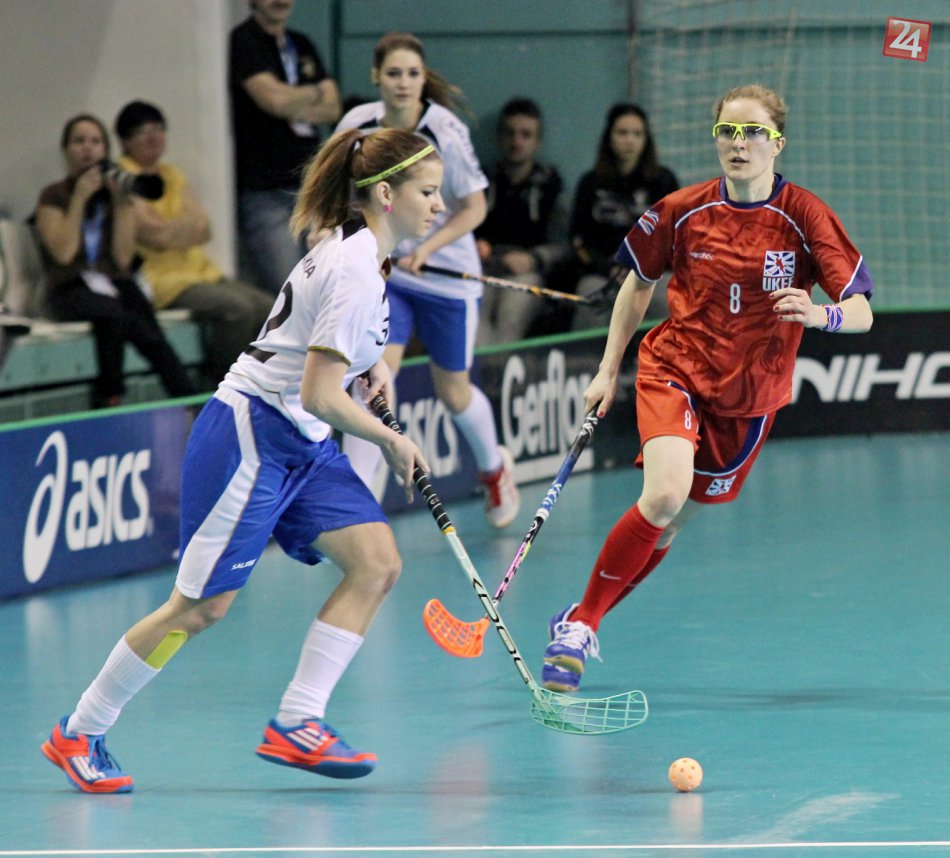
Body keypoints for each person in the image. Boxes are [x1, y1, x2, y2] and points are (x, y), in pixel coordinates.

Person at [40, 127, 442, 793]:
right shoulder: (352, 268)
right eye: (428, 192)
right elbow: (316, 391)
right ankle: (80, 729)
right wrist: (389, 438)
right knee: (199, 609)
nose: (439, 204)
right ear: (385, 195)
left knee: (377, 563)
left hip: (304, 440)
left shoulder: (365, 251)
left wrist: (367, 369)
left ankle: (299, 721)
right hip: (252, 433)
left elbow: (324, 357)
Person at [541, 84, 874, 693]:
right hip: (676, 368)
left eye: (753, 133)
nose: (739, 144)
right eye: (728, 131)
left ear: (778, 143)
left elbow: (861, 310)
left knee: (667, 526)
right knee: (663, 495)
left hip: (750, 398)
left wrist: (820, 314)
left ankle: (580, 617)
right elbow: (638, 284)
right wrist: (608, 368)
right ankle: (582, 625)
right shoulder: (682, 208)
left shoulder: (805, 216)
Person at [335, 31, 520, 528]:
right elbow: (335, 188)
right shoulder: (357, 125)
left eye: (413, 74)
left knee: (454, 394)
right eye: (393, 73)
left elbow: (475, 206)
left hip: (445, 278)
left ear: (423, 78)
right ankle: (357, 505)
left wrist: (428, 248)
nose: (403, 83)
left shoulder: (445, 130)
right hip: (389, 276)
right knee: (375, 378)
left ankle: (494, 469)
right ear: (376, 77)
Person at [34, 114, 196, 409]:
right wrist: (79, 198)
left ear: (106, 150)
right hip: (69, 287)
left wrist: (122, 203)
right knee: (112, 314)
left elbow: (122, 259)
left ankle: (190, 402)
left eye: (95, 141)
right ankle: (109, 397)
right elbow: (64, 254)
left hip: (111, 282)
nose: (87, 148)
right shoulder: (53, 195)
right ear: (66, 149)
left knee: (146, 323)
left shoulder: (112, 195)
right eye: (79, 141)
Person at [115, 100, 275, 385]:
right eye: (142, 132)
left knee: (270, 308)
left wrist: (171, 230)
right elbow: (155, 234)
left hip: (200, 272)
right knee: (237, 310)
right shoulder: (122, 177)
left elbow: (204, 228)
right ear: (125, 141)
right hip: (162, 280)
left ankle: (262, 385)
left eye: (158, 129)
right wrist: (180, 229)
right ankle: (224, 386)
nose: (153, 137)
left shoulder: (170, 174)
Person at [229, 0, 342, 293]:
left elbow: (333, 106)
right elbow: (273, 101)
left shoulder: (301, 43)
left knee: (326, 284)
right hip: (266, 190)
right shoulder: (244, 40)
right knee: (290, 289)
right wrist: (314, 91)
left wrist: (290, 102)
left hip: (309, 186)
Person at [569, 103, 679, 331]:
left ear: (646, 140)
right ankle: (590, 356)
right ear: (609, 137)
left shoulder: (664, 181)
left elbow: (676, 236)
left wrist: (643, 269)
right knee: (589, 299)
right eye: (622, 133)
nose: (630, 140)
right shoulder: (590, 183)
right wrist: (608, 267)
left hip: (652, 275)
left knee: (668, 298)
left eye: (637, 134)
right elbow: (578, 241)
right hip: (603, 275)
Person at [475, 97, 568, 345]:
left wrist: (533, 258)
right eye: (510, 133)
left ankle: (503, 366)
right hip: (483, 269)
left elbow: (563, 245)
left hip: (526, 272)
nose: (517, 142)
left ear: (537, 142)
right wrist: (472, 246)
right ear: (499, 138)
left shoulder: (550, 185)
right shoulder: (481, 180)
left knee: (512, 315)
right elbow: (461, 227)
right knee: (475, 319)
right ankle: (483, 368)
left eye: (526, 135)